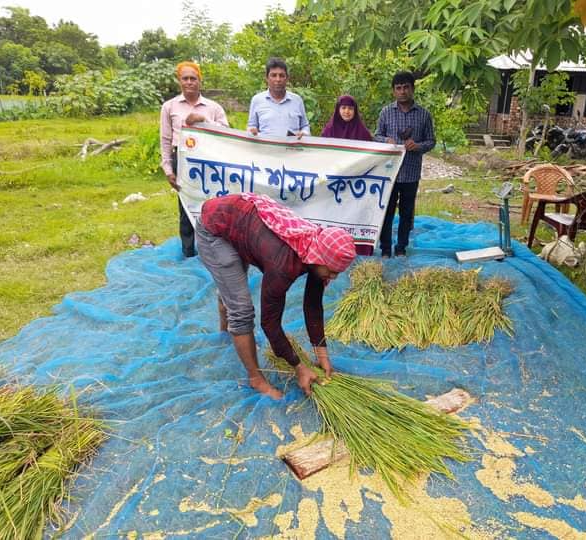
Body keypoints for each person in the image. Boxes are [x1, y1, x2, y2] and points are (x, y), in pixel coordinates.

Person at [196, 192, 357, 399]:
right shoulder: (282, 264)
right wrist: (299, 367)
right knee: (242, 311)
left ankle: (227, 322)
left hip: (239, 224)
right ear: (319, 258)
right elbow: (269, 323)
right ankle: (255, 378)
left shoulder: (316, 248)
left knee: (232, 289)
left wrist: (322, 354)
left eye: (338, 273)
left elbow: (313, 305)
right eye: (332, 271)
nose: (333, 277)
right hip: (215, 229)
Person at [160, 61, 229, 258]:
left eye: (193, 78)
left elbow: (226, 131)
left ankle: (215, 250)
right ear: (179, 81)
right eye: (185, 78)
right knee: (186, 205)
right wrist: (168, 169)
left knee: (213, 203)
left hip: (209, 160)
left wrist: (203, 120)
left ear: (200, 81)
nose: (189, 82)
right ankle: (189, 252)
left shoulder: (213, 107)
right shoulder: (169, 107)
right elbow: (165, 139)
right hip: (183, 160)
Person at [374, 71, 435, 258]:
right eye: (398, 88)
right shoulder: (386, 112)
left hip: (411, 172)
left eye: (406, 87)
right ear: (393, 91)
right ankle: (385, 248)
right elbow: (376, 136)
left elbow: (431, 141)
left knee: (406, 214)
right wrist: (386, 140)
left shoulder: (424, 115)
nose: (402, 91)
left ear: (412, 89)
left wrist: (418, 146)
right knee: (386, 212)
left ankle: (401, 247)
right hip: (389, 173)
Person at [247, 58, 310, 138]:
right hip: (265, 145)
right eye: (273, 75)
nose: (278, 79)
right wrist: (252, 132)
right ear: (267, 78)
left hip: (292, 146)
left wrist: (304, 133)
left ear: (287, 78)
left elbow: (305, 126)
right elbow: (251, 126)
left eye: (281, 75)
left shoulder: (297, 100)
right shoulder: (257, 100)